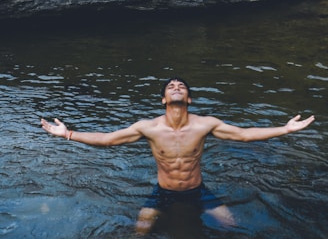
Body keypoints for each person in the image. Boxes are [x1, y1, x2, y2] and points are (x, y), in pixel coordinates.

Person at [41, 77, 315, 235]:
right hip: (163, 192)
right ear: (163, 100)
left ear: (190, 99)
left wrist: (285, 129)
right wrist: (68, 134)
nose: (175, 86)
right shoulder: (148, 127)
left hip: (197, 191)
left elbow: (243, 135)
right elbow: (109, 139)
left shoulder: (205, 124)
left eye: (181, 85)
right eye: (170, 86)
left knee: (233, 228)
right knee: (139, 231)